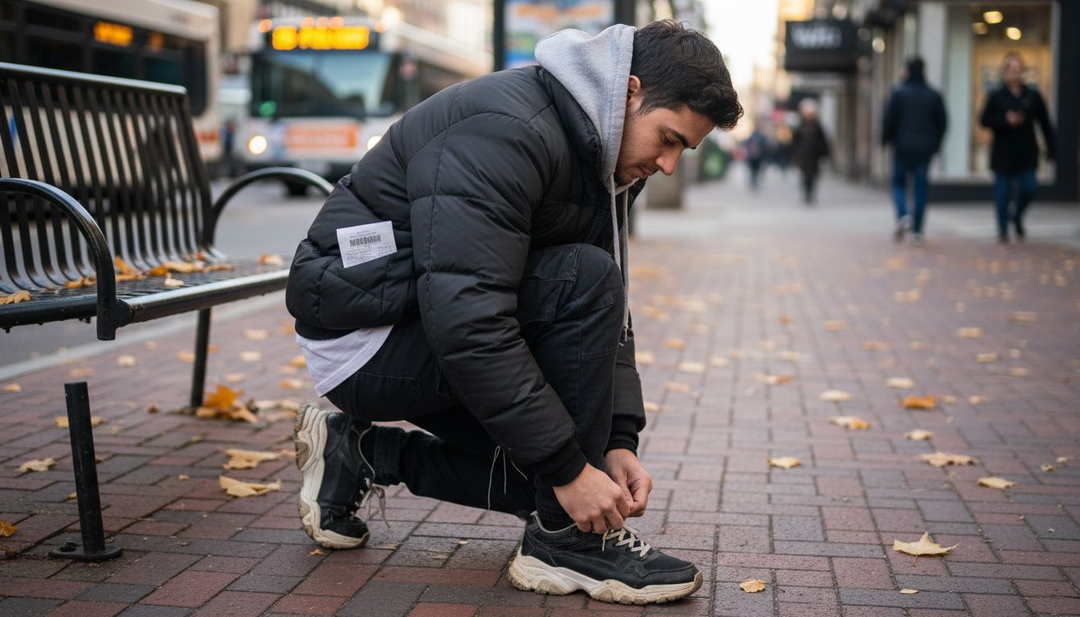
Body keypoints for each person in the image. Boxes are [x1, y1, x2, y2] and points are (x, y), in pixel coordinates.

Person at [284, 20, 742, 605]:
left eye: (685, 149)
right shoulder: (504, 130)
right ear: (630, 92)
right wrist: (570, 469)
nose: (670, 163)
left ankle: (360, 454)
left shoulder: (605, 153)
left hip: (426, 322)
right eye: (670, 138)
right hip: (366, 337)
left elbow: (606, 313)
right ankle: (562, 541)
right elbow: (470, 321)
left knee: (564, 476)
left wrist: (615, 443)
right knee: (566, 474)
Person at [979, 53, 1056, 244]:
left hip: (1027, 152)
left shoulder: (1033, 95)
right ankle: (1003, 229)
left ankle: (1017, 216)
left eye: (1019, 70)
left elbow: (1045, 123)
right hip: (1003, 153)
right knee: (1002, 194)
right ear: (1005, 73)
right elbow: (984, 120)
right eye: (1012, 70)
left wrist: (1052, 148)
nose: (1016, 74)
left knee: (1029, 188)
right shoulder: (996, 96)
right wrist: (1005, 120)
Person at [882, 57, 947, 246]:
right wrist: (935, 144)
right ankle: (917, 230)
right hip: (925, 149)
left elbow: (889, 120)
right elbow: (942, 123)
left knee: (898, 184)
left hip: (902, 147)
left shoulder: (899, 93)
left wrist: (886, 141)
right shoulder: (933, 94)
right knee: (920, 188)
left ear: (907, 71)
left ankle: (903, 215)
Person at [789, 99, 829, 204]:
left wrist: (824, 154)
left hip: (814, 156)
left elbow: (823, 141)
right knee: (805, 176)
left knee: (813, 176)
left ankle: (811, 194)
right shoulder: (800, 127)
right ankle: (806, 194)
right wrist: (793, 155)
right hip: (803, 156)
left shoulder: (818, 127)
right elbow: (795, 143)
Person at [744, 124, 768, 190]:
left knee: (753, 170)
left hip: (752, 157)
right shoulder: (761, 137)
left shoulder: (751, 136)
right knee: (756, 170)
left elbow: (746, 144)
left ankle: (753, 181)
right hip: (758, 157)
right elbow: (765, 147)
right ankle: (755, 181)